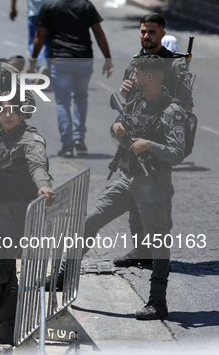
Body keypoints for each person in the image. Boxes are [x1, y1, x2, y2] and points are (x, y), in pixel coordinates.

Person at [53, 56, 186, 321]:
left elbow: (177, 153)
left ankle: (157, 301)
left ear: (150, 76)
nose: (132, 76)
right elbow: (117, 128)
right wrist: (116, 129)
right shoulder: (135, 101)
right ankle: (65, 275)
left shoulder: (172, 110)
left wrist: (150, 145)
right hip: (128, 178)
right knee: (90, 220)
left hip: (154, 183)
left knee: (158, 241)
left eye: (137, 72)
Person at [0, 94, 54, 344]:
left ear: (22, 113)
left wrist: (44, 186)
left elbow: (38, 165)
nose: (7, 115)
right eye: (3, 110)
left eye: (13, 110)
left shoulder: (29, 139)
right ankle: (7, 331)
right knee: (6, 273)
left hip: (12, 216)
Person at [114, 13, 194, 268]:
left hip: (159, 142)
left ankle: (159, 256)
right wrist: (125, 91)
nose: (146, 36)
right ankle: (140, 250)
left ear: (162, 33)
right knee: (132, 194)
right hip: (133, 138)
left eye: (151, 31)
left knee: (158, 199)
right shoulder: (136, 61)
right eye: (143, 31)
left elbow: (186, 105)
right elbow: (129, 99)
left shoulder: (175, 66)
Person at [28, 0, 113, 158]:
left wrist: (33, 62)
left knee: (62, 102)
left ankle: (67, 145)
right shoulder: (85, 4)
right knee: (81, 97)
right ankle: (79, 138)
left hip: (60, 61)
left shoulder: (49, 5)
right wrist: (108, 58)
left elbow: (40, 36)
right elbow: (98, 32)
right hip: (84, 60)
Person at [10, 0, 68, 69]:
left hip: (36, 11)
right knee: (50, 43)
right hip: (55, 10)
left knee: (34, 41)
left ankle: (41, 65)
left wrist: (13, 7)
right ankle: (50, 70)